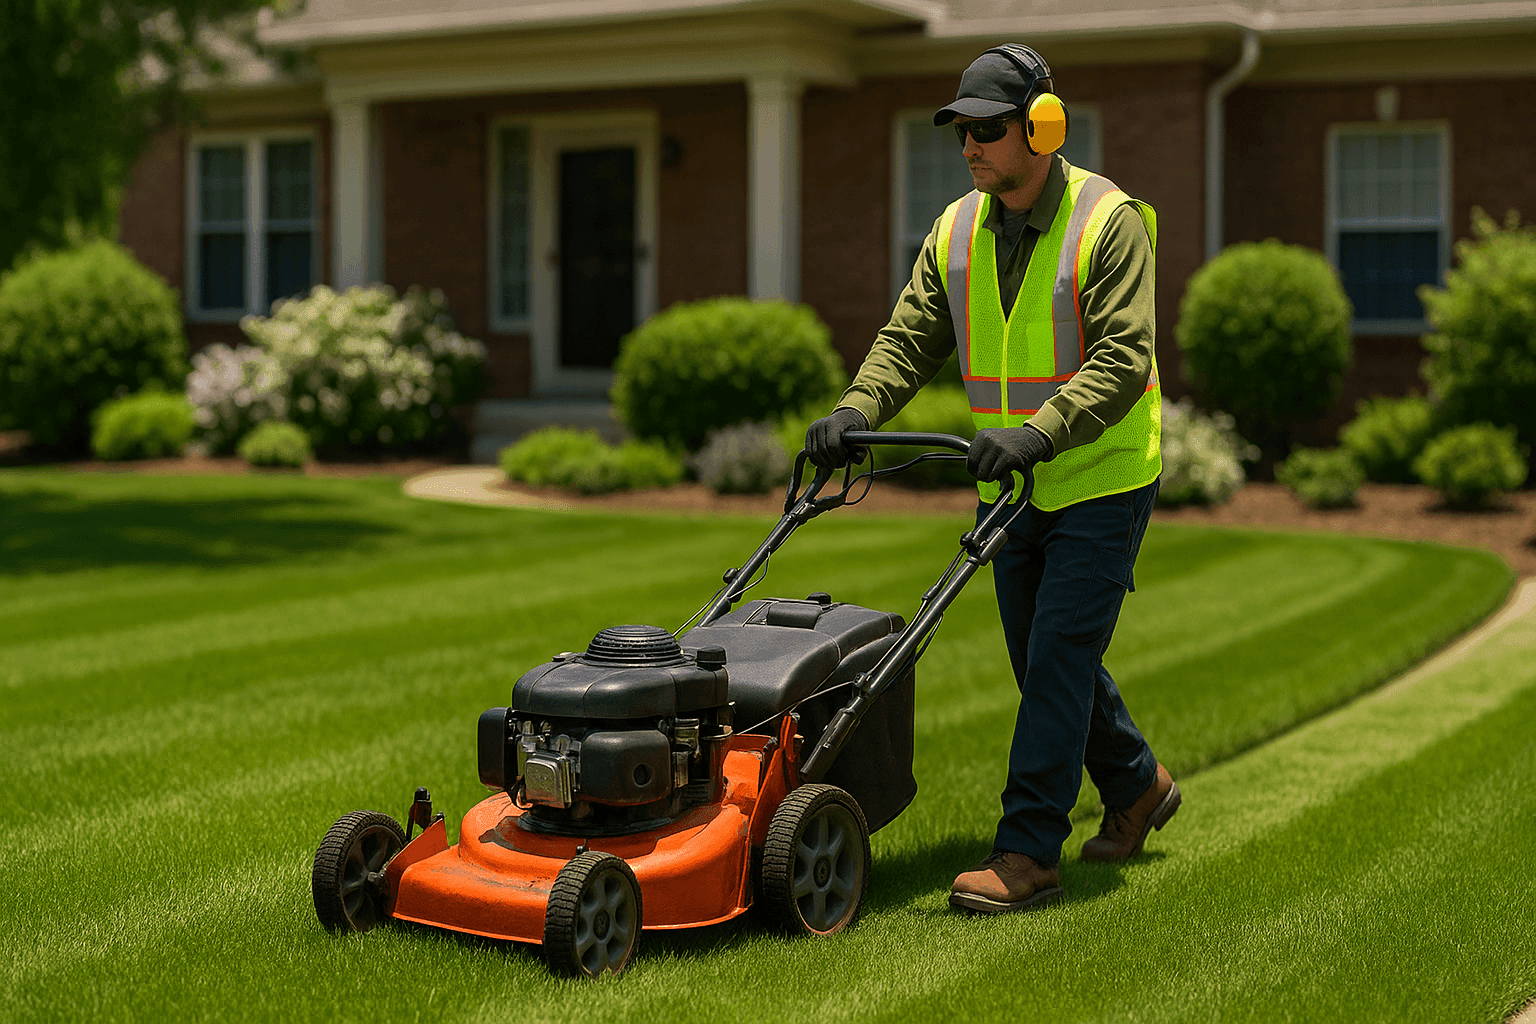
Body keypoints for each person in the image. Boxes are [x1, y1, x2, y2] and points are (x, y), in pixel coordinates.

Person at [805, 44, 1180, 915]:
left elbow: (1126, 356)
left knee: (1056, 660)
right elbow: (910, 337)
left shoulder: (1108, 221)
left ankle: (1026, 854)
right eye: (960, 131)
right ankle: (1136, 785)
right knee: (1039, 657)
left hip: (1101, 476)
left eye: (987, 128)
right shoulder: (956, 230)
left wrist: (1038, 431)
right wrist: (857, 409)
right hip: (1014, 485)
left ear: (1040, 130)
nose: (969, 146)